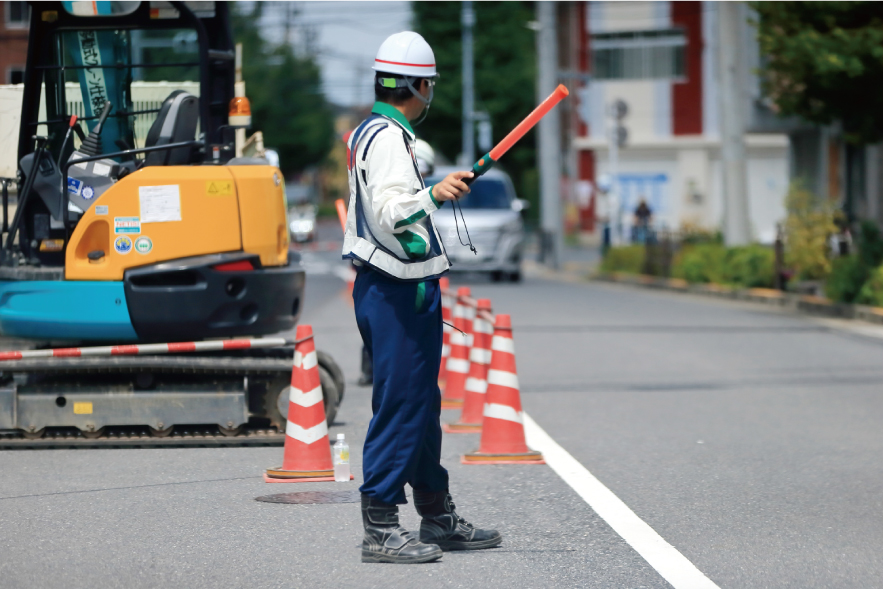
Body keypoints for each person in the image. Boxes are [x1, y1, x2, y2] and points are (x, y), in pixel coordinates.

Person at [342, 31, 501, 564]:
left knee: (422, 405)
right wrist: (433, 193)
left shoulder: (378, 131)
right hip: (395, 290)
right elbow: (391, 209)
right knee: (402, 405)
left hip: (398, 288)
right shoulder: (388, 137)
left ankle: (436, 514)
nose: (430, 92)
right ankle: (381, 524)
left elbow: (394, 200)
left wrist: (437, 186)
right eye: (428, 84)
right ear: (416, 84)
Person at [357, 138, 436, 387]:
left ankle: (380, 372)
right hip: (397, 279)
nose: (421, 177)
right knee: (396, 353)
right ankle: (375, 371)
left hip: (402, 279)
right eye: (420, 170)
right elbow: (391, 217)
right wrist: (433, 196)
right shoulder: (395, 192)